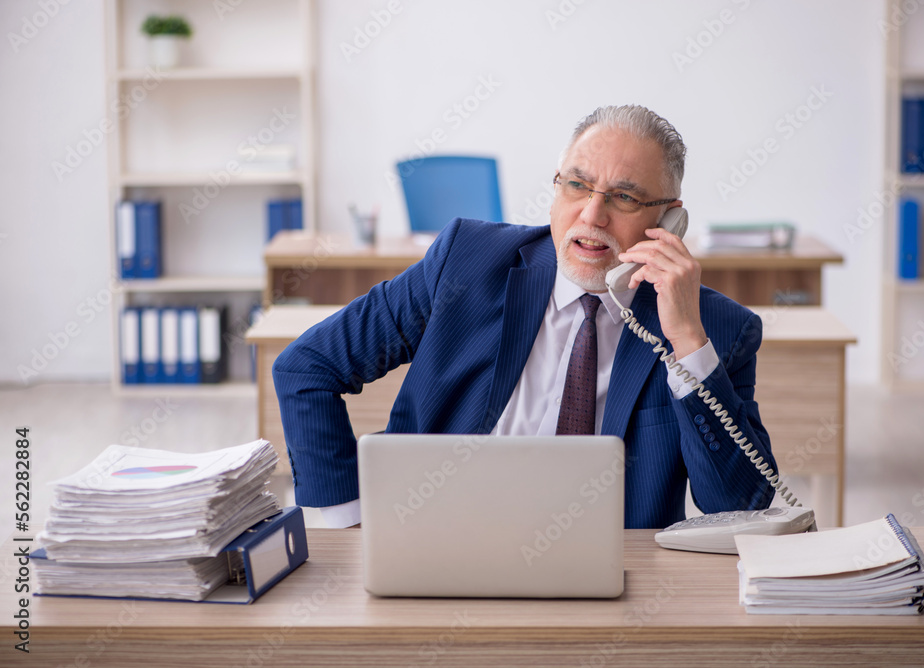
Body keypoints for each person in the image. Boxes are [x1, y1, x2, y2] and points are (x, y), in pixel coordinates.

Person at [273, 104, 777, 529]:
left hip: (607, 578)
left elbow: (737, 507)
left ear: (669, 219)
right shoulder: (466, 260)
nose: (592, 215)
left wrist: (687, 340)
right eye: (577, 185)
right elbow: (307, 367)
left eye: (623, 197)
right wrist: (349, 525)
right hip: (437, 540)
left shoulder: (716, 329)